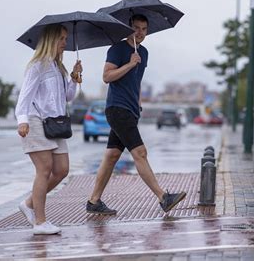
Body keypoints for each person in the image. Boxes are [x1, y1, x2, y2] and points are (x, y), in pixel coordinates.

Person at [86, 14, 186, 215]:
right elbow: (106, 76)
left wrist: (138, 105)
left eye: (144, 29)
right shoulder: (117, 49)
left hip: (131, 110)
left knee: (112, 155)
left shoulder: (144, 53)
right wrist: (130, 64)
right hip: (117, 108)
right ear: (128, 28)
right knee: (140, 153)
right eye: (136, 28)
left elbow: (136, 81)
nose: (140, 32)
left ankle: (93, 201)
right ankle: (163, 197)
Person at [15, 24, 83, 235]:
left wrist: (73, 78)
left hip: (55, 124)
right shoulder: (38, 65)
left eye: (65, 38)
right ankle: (40, 222)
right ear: (50, 40)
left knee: (62, 169)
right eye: (62, 38)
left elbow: (67, 97)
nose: (65, 43)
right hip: (35, 120)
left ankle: (28, 204)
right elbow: (24, 96)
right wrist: (22, 120)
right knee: (44, 170)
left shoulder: (58, 67)